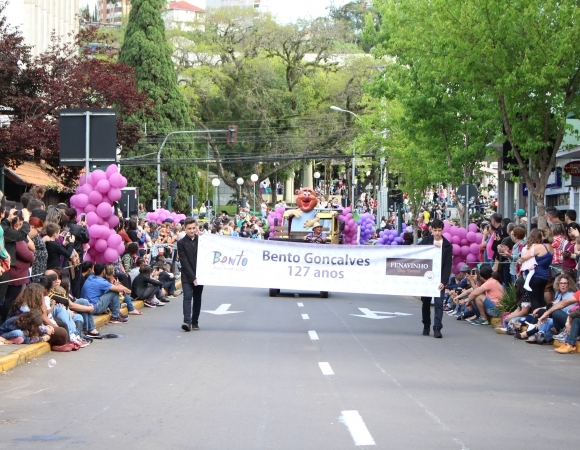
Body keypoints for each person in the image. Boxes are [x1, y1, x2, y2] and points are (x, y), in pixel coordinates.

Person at [419, 219, 453, 338]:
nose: (437, 233)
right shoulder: (426, 241)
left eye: (439, 230)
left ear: (442, 230)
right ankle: (426, 325)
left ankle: (437, 327)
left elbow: (448, 265)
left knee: (439, 303)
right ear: (431, 230)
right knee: (426, 302)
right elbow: (418, 255)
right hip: (427, 277)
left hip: (439, 279)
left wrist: (444, 281)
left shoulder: (447, 245)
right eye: (435, 230)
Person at [178, 218, 203, 332]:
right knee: (187, 297)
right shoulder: (181, 243)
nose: (192, 231)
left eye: (194, 228)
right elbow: (184, 261)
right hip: (187, 275)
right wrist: (192, 277)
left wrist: (204, 236)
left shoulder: (202, 240)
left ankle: (195, 322)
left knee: (197, 298)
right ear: (185, 229)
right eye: (189, 229)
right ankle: (186, 321)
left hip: (201, 274)